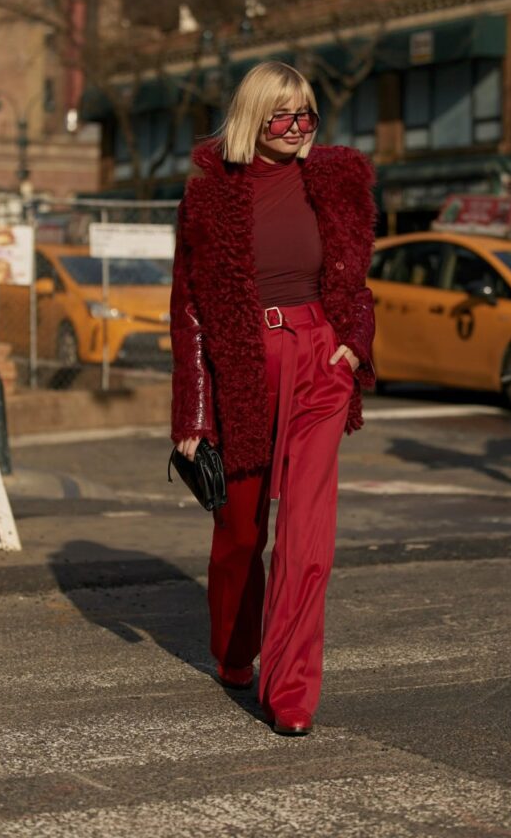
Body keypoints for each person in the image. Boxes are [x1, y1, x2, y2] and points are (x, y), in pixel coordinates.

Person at [170, 61, 376, 736]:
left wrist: (351, 344)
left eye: (306, 115)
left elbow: (356, 278)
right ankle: (234, 652)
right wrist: (193, 416)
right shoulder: (207, 192)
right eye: (281, 115)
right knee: (239, 533)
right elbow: (190, 310)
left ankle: (289, 691)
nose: (295, 128)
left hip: (319, 358)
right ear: (253, 117)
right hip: (243, 367)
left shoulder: (339, 178)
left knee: (306, 538)